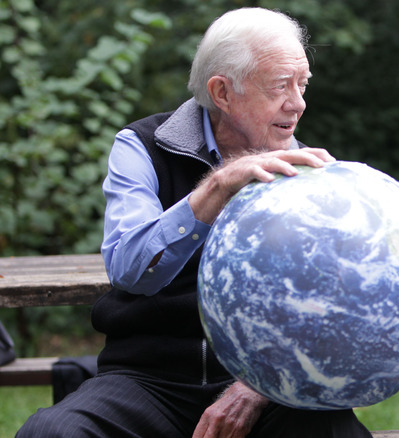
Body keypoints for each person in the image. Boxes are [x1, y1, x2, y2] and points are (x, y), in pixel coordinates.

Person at [17, 8, 372, 438]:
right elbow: (131, 271)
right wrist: (217, 188)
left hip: (262, 383)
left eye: (302, 84)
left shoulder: (310, 174)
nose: (297, 103)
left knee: (332, 429)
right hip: (147, 379)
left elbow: (336, 309)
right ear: (222, 93)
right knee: (53, 432)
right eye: (281, 86)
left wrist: (258, 386)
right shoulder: (141, 147)